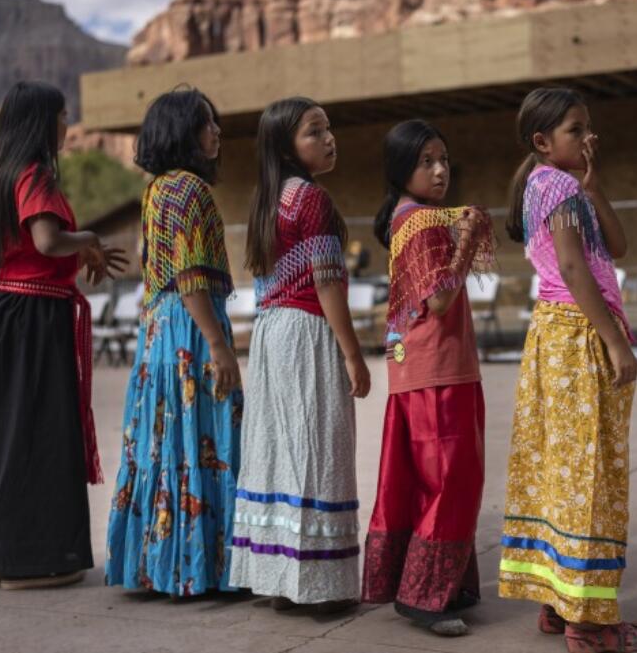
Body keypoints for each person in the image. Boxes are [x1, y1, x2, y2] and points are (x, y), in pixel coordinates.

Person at [498, 88, 637, 653]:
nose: (587, 138)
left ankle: (559, 605)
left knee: (563, 469)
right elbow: (569, 264)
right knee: (591, 474)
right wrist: (615, 342)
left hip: (555, 334)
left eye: (589, 127)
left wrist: (595, 183)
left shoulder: (562, 186)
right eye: (574, 129)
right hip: (578, 334)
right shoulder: (554, 185)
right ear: (542, 142)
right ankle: (591, 627)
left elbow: (619, 245)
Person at [0, 80, 126, 589]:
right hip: (30, 318)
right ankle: (35, 562)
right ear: (41, 122)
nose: (65, 126)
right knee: (40, 435)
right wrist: (92, 239)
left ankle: (0, 555)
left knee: (0, 436)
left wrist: (79, 253)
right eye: (60, 116)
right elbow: (48, 240)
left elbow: (30, 248)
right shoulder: (35, 175)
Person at [229, 97, 371, 611]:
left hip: (272, 334)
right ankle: (320, 586)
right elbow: (327, 281)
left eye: (328, 128)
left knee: (281, 453)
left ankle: (284, 578)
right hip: (308, 331)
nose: (329, 138)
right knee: (318, 446)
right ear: (286, 146)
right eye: (315, 131)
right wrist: (353, 353)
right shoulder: (311, 199)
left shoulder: (269, 198)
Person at [105, 87, 242, 596]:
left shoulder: (157, 188)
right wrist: (219, 345)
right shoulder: (190, 190)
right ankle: (202, 569)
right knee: (205, 440)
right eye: (207, 123)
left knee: (165, 441)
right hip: (190, 328)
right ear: (183, 132)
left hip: (160, 329)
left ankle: (162, 565)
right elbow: (189, 276)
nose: (217, 132)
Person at [361, 120, 495, 636]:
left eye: (443, 159)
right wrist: (466, 238)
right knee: (455, 479)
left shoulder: (403, 218)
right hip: (439, 367)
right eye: (426, 162)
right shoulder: (425, 223)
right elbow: (440, 298)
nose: (440, 171)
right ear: (402, 170)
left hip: (414, 366)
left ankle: (435, 583)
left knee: (421, 481)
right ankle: (426, 596)